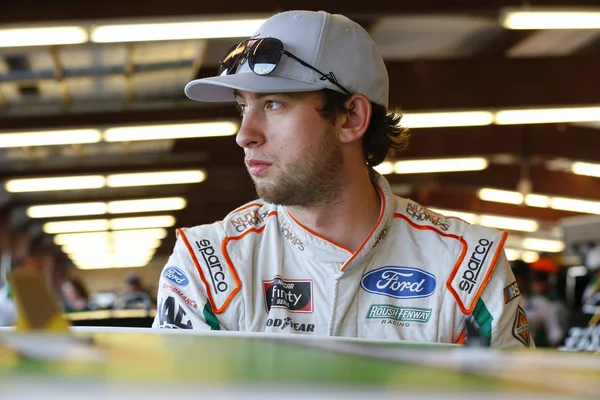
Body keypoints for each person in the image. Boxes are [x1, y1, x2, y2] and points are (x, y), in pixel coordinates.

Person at [152, 10, 533, 347]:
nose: (244, 134)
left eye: (273, 104)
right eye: (242, 106)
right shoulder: (208, 263)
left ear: (351, 118)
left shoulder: (467, 266)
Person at [512, 260, 564, 347]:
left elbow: (555, 336)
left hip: (528, 353)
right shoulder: (500, 301)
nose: (512, 280)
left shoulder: (541, 303)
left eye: (516, 277)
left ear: (525, 278)